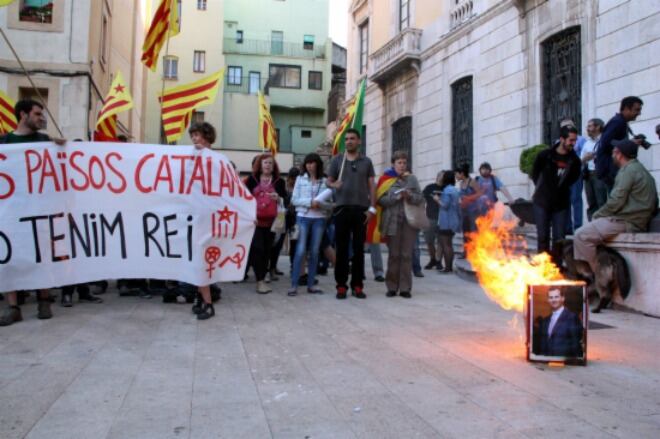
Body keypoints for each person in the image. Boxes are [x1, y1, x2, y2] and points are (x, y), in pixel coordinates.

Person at [0, 99, 65, 327]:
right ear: (23, 115)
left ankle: (44, 301)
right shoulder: (5, 143)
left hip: (39, 210)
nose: (42, 118)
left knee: (42, 255)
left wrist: (61, 148)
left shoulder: (44, 141)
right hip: (10, 213)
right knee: (8, 259)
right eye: (37, 114)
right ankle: (13, 307)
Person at [574, 139, 658, 279]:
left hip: (627, 221)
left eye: (614, 152)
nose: (612, 154)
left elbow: (616, 202)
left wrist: (598, 214)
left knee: (581, 235)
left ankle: (599, 275)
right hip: (634, 219)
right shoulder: (640, 170)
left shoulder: (628, 172)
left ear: (619, 154)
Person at [327, 128, 376, 299]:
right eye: (346, 139)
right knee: (341, 250)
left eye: (352, 138)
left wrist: (372, 208)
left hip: (361, 210)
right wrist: (334, 185)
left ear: (359, 141)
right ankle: (341, 285)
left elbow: (372, 185)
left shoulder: (366, 161)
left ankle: (357, 285)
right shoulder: (337, 160)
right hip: (341, 209)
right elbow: (328, 180)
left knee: (358, 250)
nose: (348, 141)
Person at [531, 126, 581, 266]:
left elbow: (573, 178)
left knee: (559, 239)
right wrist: (544, 188)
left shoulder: (574, 161)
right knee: (543, 237)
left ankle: (556, 269)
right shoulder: (545, 156)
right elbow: (535, 174)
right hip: (542, 202)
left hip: (561, 204)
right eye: (571, 140)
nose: (573, 143)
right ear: (562, 139)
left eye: (575, 140)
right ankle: (542, 269)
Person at [377, 151, 423, 298]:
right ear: (393, 164)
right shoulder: (386, 179)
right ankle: (391, 286)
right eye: (399, 162)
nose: (402, 165)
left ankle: (405, 288)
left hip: (409, 222)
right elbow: (380, 200)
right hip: (392, 221)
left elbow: (420, 199)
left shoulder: (412, 179)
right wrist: (395, 197)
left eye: (404, 162)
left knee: (406, 255)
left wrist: (409, 196)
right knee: (394, 255)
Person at [188, 122, 221, 319]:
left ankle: (208, 303)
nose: (194, 139)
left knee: (202, 261)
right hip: (195, 216)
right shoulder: (191, 158)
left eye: (197, 135)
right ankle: (202, 298)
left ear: (207, 137)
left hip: (209, 219)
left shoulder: (217, 161)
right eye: (192, 136)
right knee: (196, 261)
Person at [245, 153, 288, 294]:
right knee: (257, 249)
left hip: (272, 223)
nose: (268, 165)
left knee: (266, 251)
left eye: (270, 163)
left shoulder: (279, 182)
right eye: (265, 163)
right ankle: (260, 281)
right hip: (255, 222)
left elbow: (286, 201)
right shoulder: (251, 180)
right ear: (259, 165)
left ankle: (262, 277)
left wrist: (279, 198)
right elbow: (242, 197)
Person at [288, 154, 330, 296]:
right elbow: (294, 200)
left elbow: (331, 204)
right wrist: (309, 203)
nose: (310, 166)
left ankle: (311, 284)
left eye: (312, 163)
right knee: (300, 251)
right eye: (307, 163)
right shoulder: (300, 179)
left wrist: (321, 204)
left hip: (319, 219)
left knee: (315, 251)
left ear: (318, 164)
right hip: (303, 218)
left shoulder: (325, 181)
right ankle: (294, 284)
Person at [596, 96, 644, 191]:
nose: (639, 113)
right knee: (616, 201)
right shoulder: (617, 122)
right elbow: (605, 143)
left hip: (613, 169)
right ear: (626, 108)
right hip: (610, 170)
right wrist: (629, 143)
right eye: (636, 110)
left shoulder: (620, 122)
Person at [535, 288, 583, 357]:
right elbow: (543, 343)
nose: (553, 300)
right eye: (551, 297)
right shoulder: (545, 321)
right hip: (547, 362)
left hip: (565, 363)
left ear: (562, 298)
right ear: (548, 300)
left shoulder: (571, 318)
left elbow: (576, 342)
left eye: (556, 297)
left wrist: (577, 361)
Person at [559, 119, 586, 234]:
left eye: (569, 126)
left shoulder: (581, 140)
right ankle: (568, 228)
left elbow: (586, 154)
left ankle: (578, 227)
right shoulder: (558, 141)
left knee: (576, 199)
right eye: (564, 127)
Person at [580, 118, 608, 220]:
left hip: (600, 174)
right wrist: (585, 159)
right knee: (591, 202)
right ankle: (592, 226)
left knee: (601, 201)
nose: (587, 129)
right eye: (587, 127)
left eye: (590, 126)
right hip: (588, 175)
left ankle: (602, 224)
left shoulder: (604, 141)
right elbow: (581, 160)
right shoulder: (587, 143)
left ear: (598, 127)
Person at [455, 163, 484, 257]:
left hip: (473, 211)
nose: (456, 176)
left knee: (473, 231)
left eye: (457, 174)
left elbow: (480, 193)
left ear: (462, 173)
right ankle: (466, 252)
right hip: (464, 211)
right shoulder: (461, 183)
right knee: (465, 231)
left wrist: (469, 198)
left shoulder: (472, 182)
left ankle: (475, 252)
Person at [436, 171, 461, 273]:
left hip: (446, 221)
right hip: (453, 220)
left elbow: (444, 205)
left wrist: (437, 199)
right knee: (449, 244)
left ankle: (448, 267)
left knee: (446, 244)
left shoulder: (446, 190)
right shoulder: (454, 190)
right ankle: (449, 266)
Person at [422, 172, 444, 270]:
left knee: (441, 241)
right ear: (437, 176)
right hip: (430, 217)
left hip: (442, 218)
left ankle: (438, 261)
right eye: (441, 176)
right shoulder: (429, 187)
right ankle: (433, 259)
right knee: (429, 240)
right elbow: (421, 199)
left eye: (444, 176)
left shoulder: (447, 189)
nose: (442, 178)